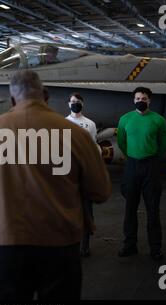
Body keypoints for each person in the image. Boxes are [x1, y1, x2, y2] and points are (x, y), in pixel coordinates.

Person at [0, 70, 112, 300]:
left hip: (7, 245)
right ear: (46, 95)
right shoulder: (75, 134)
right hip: (60, 245)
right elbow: (100, 191)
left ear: (11, 100)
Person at [117, 87, 166, 260]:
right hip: (132, 165)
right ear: (133, 100)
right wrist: (132, 156)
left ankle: (155, 248)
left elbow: (163, 145)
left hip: (150, 166)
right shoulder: (125, 119)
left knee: (153, 209)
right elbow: (122, 142)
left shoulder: (158, 120)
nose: (141, 100)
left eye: (144, 98)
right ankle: (129, 245)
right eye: (138, 98)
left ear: (149, 100)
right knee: (130, 208)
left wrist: (152, 158)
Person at [65, 92, 98, 257]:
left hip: (84, 173)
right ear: (68, 104)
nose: (75, 104)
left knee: (86, 210)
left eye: (77, 101)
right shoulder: (62, 123)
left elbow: (94, 147)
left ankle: (85, 245)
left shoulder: (90, 124)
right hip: (67, 175)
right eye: (72, 101)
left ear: (83, 104)